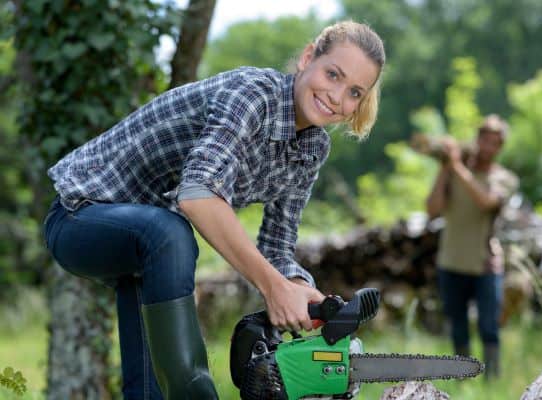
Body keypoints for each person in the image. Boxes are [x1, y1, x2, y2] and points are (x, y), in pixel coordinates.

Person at [42, 20, 385, 400]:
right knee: (169, 232)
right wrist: (272, 286)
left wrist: (298, 289)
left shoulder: (312, 149)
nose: (337, 96)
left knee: (149, 388)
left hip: (148, 249)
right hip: (79, 216)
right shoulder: (252, 96)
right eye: (332, 74)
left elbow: (277, 247)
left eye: (354, 92)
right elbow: (197, 194)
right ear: (308, 58)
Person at [425, 115, 518, 379]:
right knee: (458, 327)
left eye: (494, 143)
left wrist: (457, 167)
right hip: (450, 262)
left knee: (489, 327)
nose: (487, 147)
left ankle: (492, 382)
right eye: (484, 140)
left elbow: (486, 202)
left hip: (485, 264)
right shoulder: (454, 172)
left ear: (500, 147)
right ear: (477, 140)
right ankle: (464, 379)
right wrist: (445, 168)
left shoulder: (504, 178)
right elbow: (432, 209)